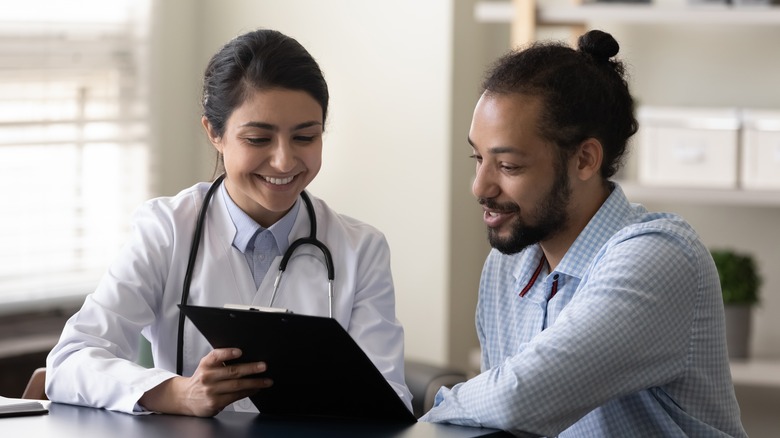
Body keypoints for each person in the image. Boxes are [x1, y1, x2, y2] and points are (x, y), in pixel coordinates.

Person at [46, 28, 412, 417]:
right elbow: (70, 361)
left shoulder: (361, 250)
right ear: (214, 133)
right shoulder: (166, 230)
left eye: (305, 137)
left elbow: (391, 400)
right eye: (258, 139)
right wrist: (178, 393)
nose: (284, 161)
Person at [420, 30, 746, 437]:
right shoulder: (509, 264)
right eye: (478, 158)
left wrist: (438, 410)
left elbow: (517, 400)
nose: (480, 187)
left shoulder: (658, 257)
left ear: (585, 159)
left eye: (508, 166)